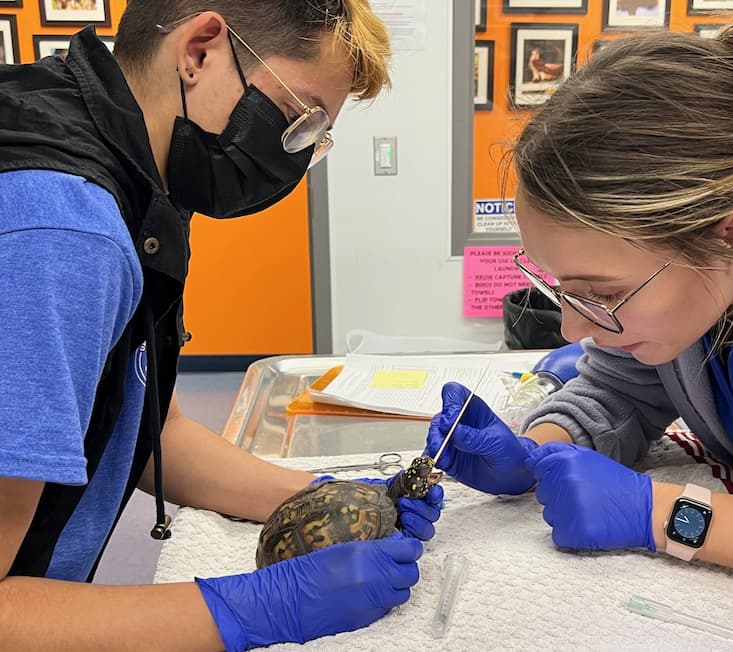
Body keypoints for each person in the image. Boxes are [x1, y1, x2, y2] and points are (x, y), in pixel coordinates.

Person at [0, 2, 443, 650]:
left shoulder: (117, 169)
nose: (295, 151)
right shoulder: (64, 233)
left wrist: (329, 497)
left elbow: (150, 434)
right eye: (300, 118)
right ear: (200, 49)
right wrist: (258, 607)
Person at [426, 12, 733, 610]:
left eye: (604, 294)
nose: (574, 329)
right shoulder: (701, 270)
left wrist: (661, 513)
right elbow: (624, 391)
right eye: (564, 289)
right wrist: (538, 452)